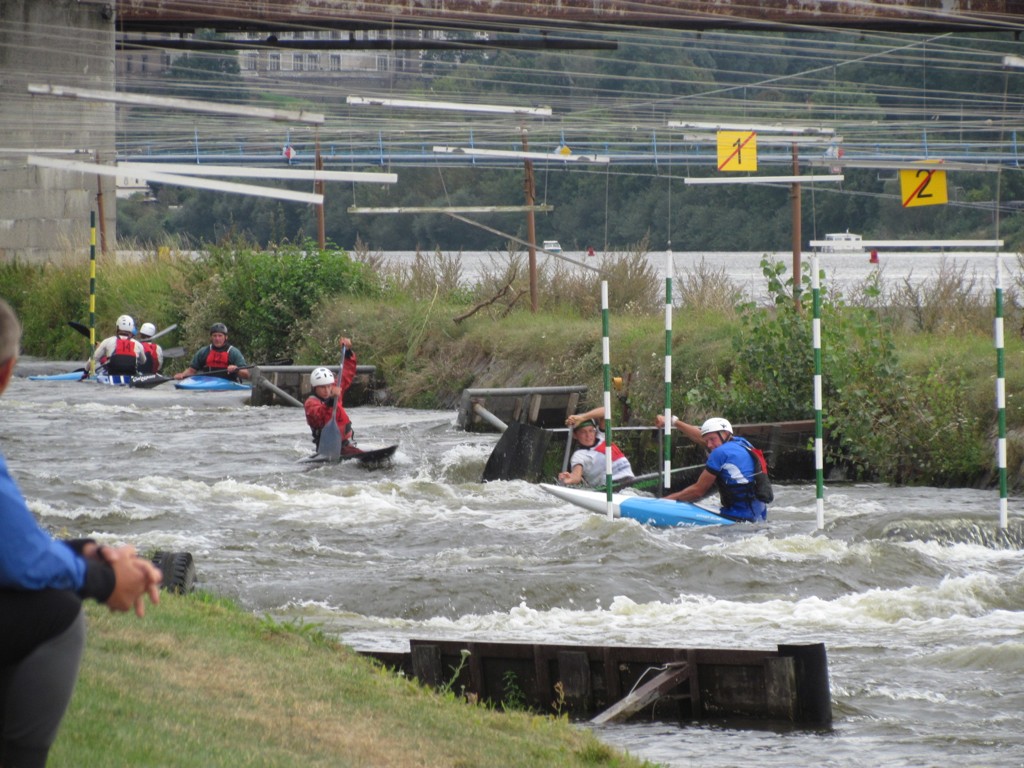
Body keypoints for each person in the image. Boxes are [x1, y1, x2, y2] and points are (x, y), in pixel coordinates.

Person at [0, 299, 162, 768]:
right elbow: (20, 560)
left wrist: (83, 550)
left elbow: (13, 547)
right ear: (8, 372)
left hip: (113, 378)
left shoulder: (112, 343)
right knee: (57, 612)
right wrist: (103, 578)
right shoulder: (145, 351)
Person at [654, 414, 769, 522]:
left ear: (725, 433)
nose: (708, 445)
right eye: (707, 440)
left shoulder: (720, 453)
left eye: (712, 439)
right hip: (758, 515)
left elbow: (698, 491)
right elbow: (702, 437)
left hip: (738, 518)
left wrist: (664, 502)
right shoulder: (742, 443)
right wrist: (673, 421)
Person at [303, 337, 361, 455]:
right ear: (315, 388)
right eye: (322, 387)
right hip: (327, 446)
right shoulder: (310, 403)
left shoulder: (333, 390)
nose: (327, 390)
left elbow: (347, 372)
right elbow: (320, 415)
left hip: (344, 443)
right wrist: (331, 400)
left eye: (328, 386)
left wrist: (348, 351)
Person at [558, 406, 634, 487]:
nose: (588, 435)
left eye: (591, 431)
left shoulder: (602, 436)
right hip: (609, 487)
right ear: (575, 435)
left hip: (629, 479)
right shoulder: (579, 455)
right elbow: (576, 476)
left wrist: (582, 418)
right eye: (583, 432)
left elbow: (605, 411)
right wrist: (571, 478)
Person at [173, 322, 249, 381]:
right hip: (208, 385)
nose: (217, 338)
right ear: (211, 337)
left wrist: (236, 369)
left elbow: (246, 374)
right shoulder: (203, 352)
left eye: (220, 336)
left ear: (226, 337)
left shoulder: (233, 352)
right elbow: (192, 370)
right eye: (214, 336)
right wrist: (182, 375)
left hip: (229, 384)